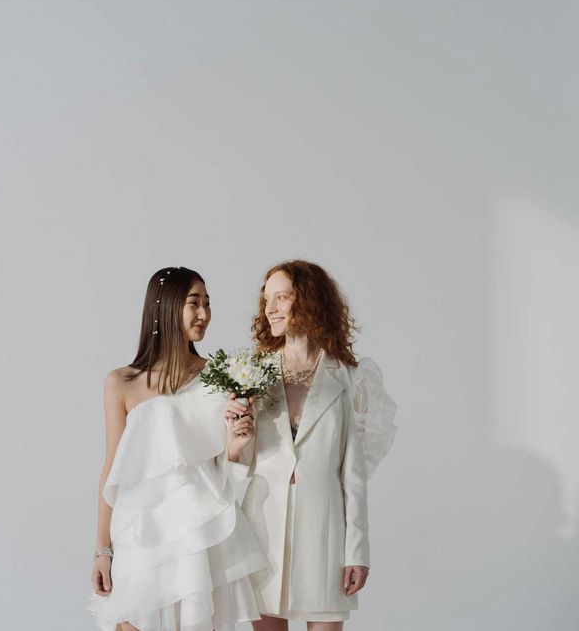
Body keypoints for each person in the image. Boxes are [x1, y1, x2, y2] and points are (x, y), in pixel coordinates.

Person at [89, 266, 264, 631]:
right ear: (166, 308)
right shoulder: (122, 383)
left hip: (197, 531)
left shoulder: (220, 377)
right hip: (141, 531)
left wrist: (234, 447)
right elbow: (112, 467)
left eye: (208, 303)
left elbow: (224, 461)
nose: (204, 314)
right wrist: (103, 550)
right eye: (193, 303)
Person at [225, 260, 397, 630]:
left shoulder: (349, 378)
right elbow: (240, 463)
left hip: (324, 533)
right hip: (263, 527)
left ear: (308, 301)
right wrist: (236, 438)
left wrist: (357, 551)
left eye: (282, 297)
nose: (270, 309)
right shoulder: (253, 375)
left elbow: (353, 476)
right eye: (267, 299)